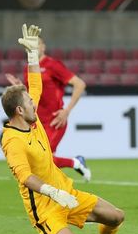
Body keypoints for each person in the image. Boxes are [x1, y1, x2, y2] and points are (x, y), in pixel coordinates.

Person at [1, 24, 125, 234]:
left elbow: (35, 86)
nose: (36, 105)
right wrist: (52, 192)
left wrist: (32, 55)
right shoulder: (11, 140)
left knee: (116, 216)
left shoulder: (31, 121)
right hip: (46, 209)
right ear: (19, 110)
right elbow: (25, 177)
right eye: (30, 103)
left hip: (66, 193)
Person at [5, 37, 91, 181]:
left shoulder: (52, 65)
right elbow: (33, 93)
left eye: (37, 45)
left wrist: (67, 111)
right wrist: (21, 86)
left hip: (55, 120)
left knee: (43, 158)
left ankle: (73, 168)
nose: (34, 48)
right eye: (31, 46)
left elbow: (80, 84)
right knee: (40, 159)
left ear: (43, 47)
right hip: (37, 121)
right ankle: (76, 163)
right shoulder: (29, 67)